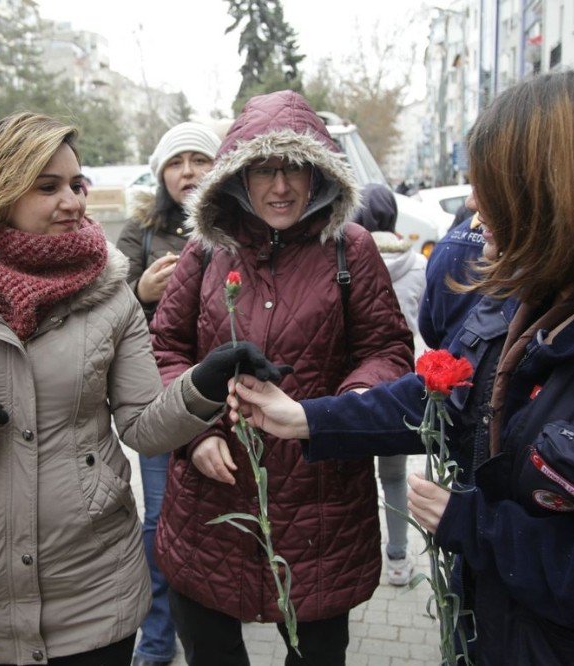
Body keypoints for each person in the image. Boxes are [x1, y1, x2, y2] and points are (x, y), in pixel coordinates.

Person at [228, 69, 574, 664]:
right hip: (492, 626)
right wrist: (306, 418)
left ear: (558, 197)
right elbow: (439, 392)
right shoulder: (530, 288)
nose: (473, 210)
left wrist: (475, 525)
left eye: (489, 188)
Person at [0, 112, 285, 666]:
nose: (73, 201)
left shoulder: (109, 292)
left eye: (76, 184)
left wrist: (204, 382)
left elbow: (142, 426)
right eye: (48, 187)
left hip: (94, 578)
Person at [149, 90, 414, 666]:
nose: (280, 187)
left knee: (317, 651)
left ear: (320, 173)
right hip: (211, 499)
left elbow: (387, 348)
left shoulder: (352, 248)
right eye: (263, 169)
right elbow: (164, 348)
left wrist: (338, 413)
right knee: (212, 649)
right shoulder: (205, 251)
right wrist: (197, 433)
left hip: (320, 501)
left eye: (296, 168)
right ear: (236, 176)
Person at [115, 121, 221, 666]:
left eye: (198, 159)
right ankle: (158, 637)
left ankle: (220, 609)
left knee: (227, 508)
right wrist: (141, 291)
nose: (187, 171)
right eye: (175, 162)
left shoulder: (235, 225)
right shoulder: (139, 231)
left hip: (228, 394)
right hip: (160, 393)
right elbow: (105, 309)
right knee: (158, 519)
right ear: (161, 174)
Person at [354, 183, 427, 586]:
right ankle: (398, 560)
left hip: (356, 383)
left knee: (354, 474)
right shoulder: (417, 265)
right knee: (394, 476)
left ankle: (352, 558)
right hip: (403, 381)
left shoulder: (346, 260)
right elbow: (430, 323)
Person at [418, 206, 486, 350]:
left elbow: (426, 327)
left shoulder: (445, 244)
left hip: (451, 361)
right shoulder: (511, 247)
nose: (471, 202)